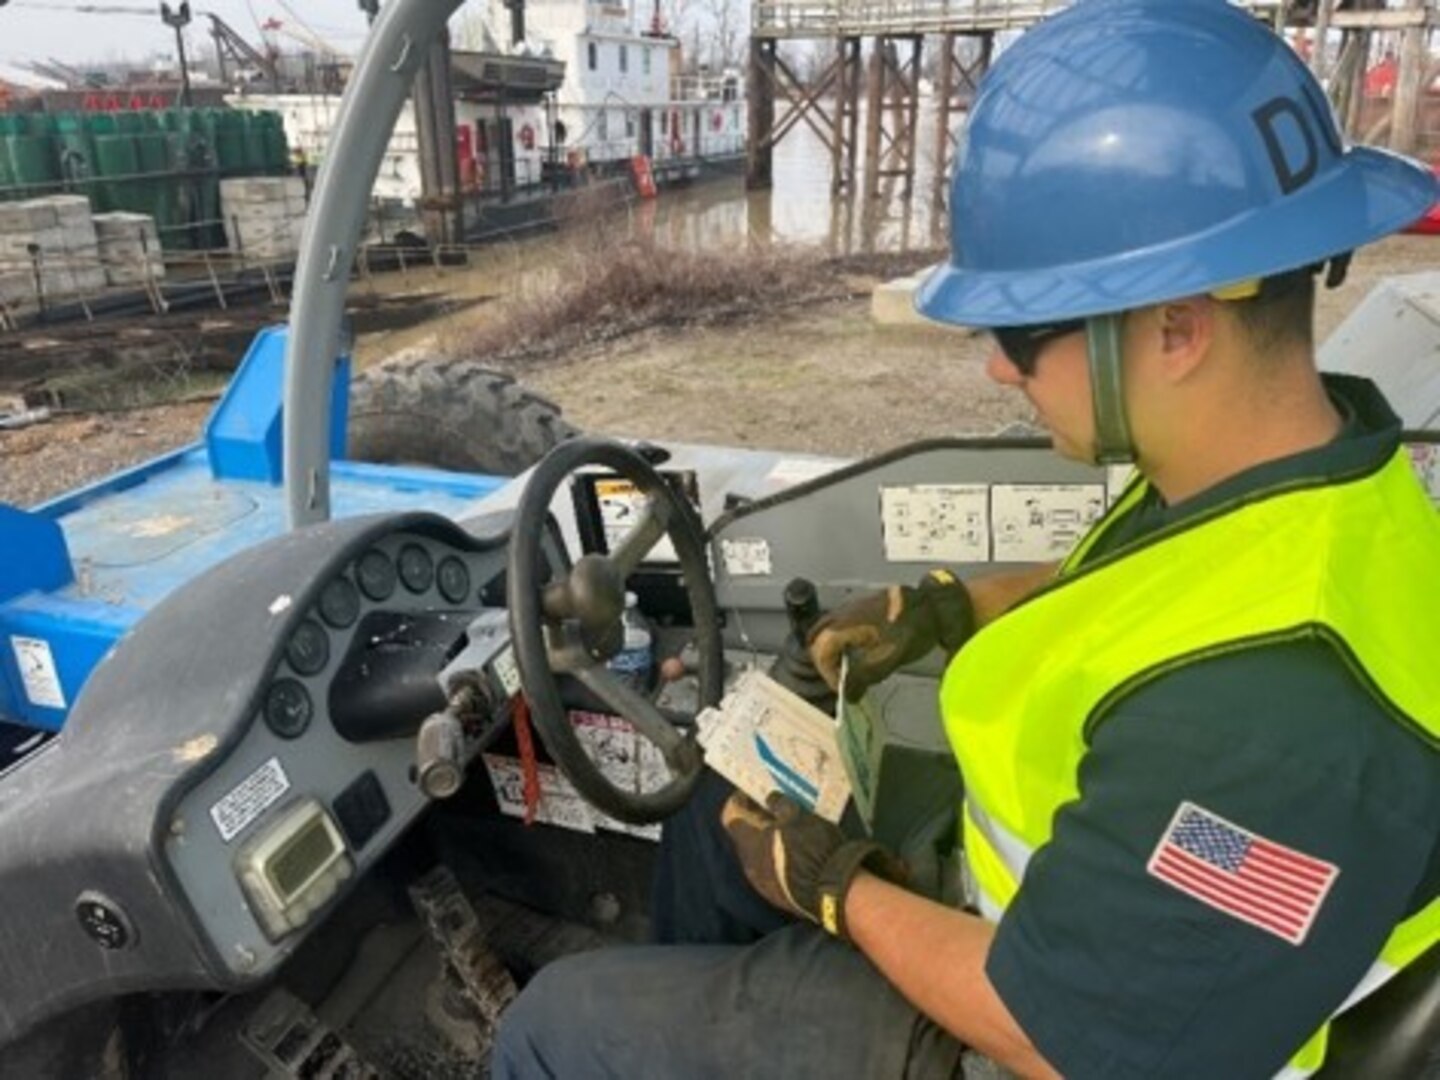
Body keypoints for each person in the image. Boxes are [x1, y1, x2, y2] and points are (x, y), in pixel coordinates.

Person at [493, 1, 1440, 1076]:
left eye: (1024, 334)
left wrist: (837, 888)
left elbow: (1060, 1036)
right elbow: (1157, 593)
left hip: (1029, 1031)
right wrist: (945, 606)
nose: (999, 369)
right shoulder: (1287, 475)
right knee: (722, 816)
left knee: (550, 1029)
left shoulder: (1280, 723)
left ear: (1179, 326)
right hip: (1075, 919)